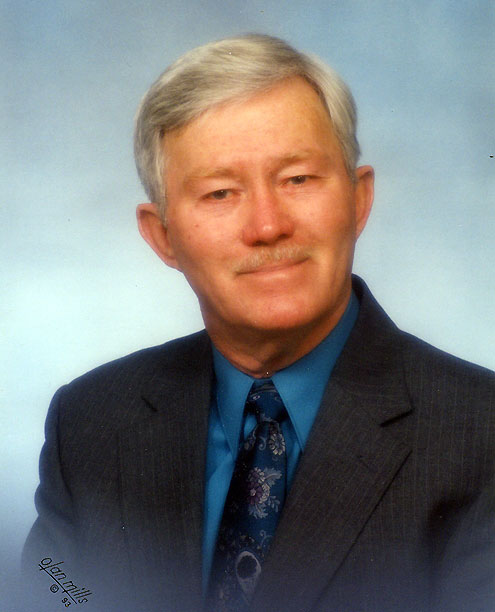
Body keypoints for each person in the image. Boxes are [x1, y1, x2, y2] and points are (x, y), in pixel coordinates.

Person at [23, 34, 495, 612]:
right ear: (162, 236)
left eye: (298, 179)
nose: (268, 226)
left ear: (358, 199)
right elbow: (53, 586)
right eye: (220, 193)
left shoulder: (481, 434)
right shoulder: (91, 421)